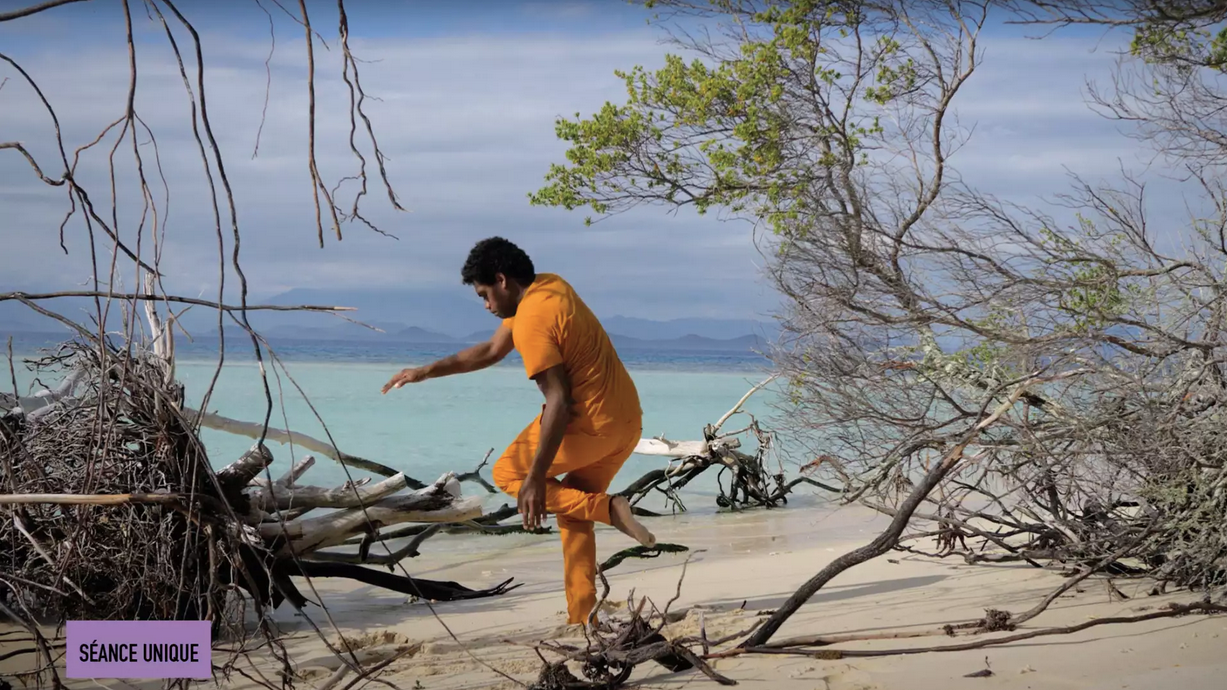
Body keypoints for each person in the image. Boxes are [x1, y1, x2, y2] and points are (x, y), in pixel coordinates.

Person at [381, 236, 655, 626]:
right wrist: (424, 371)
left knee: (508, 473)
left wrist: (534, 480)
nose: (486, 305)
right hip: (626, 423)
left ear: (502, 279)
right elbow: (492, 351)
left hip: (590, 425)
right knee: (572, 510)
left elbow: (559, 401)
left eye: (484, 295)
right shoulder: (551, 285)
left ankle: (609, 509)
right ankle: (582, 618)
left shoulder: (531, 320)